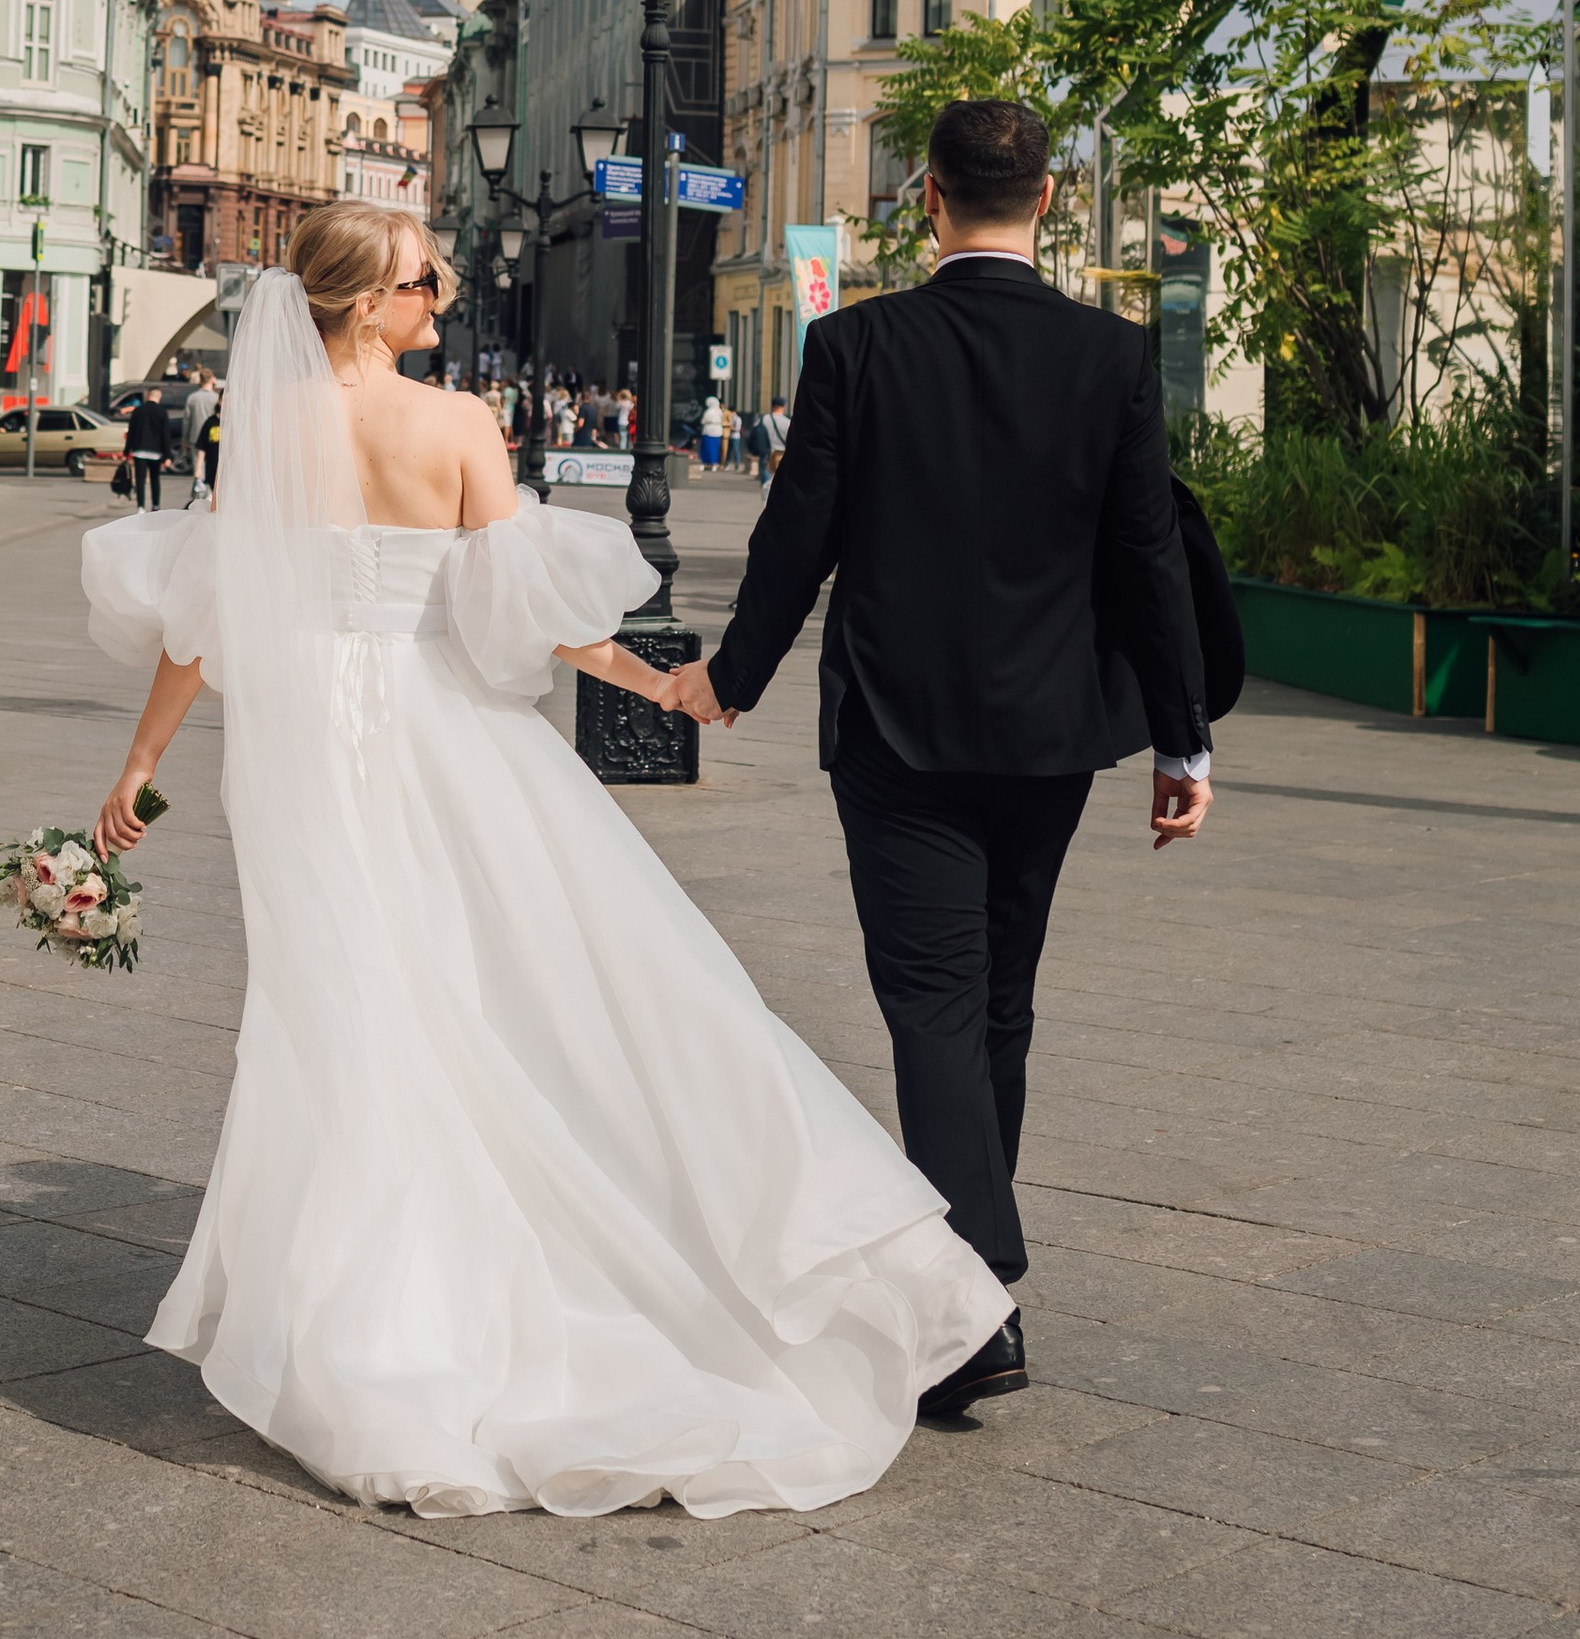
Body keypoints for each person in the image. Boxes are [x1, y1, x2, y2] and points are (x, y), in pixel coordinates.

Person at [80, 199, 1007, 1517]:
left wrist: (142, 764)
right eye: (422, 285)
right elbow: (519, 613)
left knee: (347, 1019)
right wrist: (664, 682)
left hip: (303, 759)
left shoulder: (270, 434)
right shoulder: (458, 427)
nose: (440, 305)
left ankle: (374, 1338)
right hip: (444, 733)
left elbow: (206, 615)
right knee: (558, 983)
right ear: (364, 304)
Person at [664, 99, 1212, 1422]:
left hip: (897, 731)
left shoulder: (857, 344)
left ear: (929, 198)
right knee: (997, 1000)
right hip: (1049, 736)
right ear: (1047, 202)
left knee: (935, 1007)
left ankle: (978, 1302)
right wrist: (1182, 738)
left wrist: (728, 681)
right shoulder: (1113, 356)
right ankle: (976, 1291)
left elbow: (800, 535)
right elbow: (1148, 558)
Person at [122, 381, 173, 509]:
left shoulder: (138, 411)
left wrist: (126, 452)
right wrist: (167, 455)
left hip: (139, 450)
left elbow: (131, 432)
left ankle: (140, 506)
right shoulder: (162, 412)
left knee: (140, 480)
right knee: (155, 479)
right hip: (155, 452)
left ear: (147, 396)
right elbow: (165, 435)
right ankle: (156, 505)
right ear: (158, 397)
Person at [181, 368, 218, 497]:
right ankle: (210, 494)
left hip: (195, 437)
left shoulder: (192, 398)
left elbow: (187, 420)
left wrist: (184, 439)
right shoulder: (216, 398)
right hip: (214, 437)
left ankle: (199, 492)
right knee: (213, 466)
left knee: (198, 467)